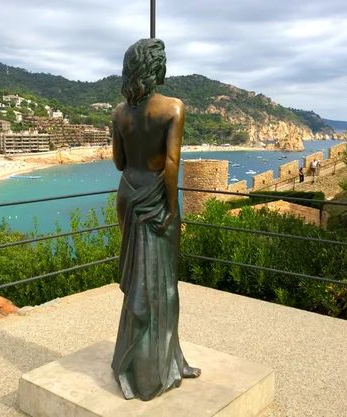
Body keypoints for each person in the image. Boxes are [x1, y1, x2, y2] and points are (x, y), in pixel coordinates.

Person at [111, 38, 201, 402]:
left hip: (128, 193)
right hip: (156, 197)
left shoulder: (119, 113)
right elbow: (171, 164)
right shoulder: (174, 108)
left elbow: (118, 162)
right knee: (163, 286)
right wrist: (171, 210)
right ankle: (156, 371)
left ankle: (166, 361)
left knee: (140, 283)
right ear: (156, 67)